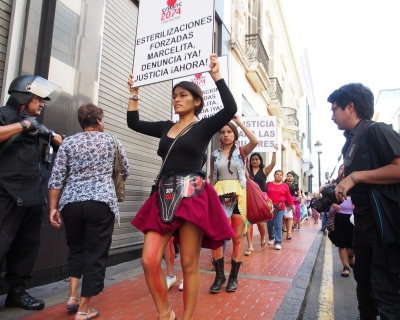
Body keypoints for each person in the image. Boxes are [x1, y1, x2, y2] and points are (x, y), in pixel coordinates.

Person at [127, 54, 236, 320]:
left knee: (188, 264)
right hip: (163, 195)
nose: (176, 98)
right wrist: (134, 92)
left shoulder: (204, 126)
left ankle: (186, 318)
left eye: (183, 94)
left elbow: (230, 108)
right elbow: (133, 123)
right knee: (149, 259)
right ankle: (166, 314)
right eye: (174, 95)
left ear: (197, 100)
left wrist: (216, 76)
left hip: (192, 195)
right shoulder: (166, 126)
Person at [48, 103, 130, 320]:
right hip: (101, 202)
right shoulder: (112, 141)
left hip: (71, 203)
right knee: (96, 253)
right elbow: (125, 171)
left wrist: (53, 208)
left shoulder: (69, 142)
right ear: (99, 121)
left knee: (76, 248)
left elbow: (56, 178)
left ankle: (72, 296)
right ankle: (84, 310)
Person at [329, 83, 400, 319]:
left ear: (351, 106)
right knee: (364, 283)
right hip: (361, 222)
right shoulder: (349, 142)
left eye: (335, 109)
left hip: (384, 224)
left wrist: (356, 176)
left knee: (385, 288)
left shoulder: (376, 131)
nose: (332, 117)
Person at [0, 75, 63, 311]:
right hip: (6, 194)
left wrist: (51, 135)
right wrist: (23, 126)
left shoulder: (40, 126)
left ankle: (17, 293)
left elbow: (62, 145)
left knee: (27, 247)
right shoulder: (5, 115)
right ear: (24, 96)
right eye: (38, 98)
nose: (43, 103)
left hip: (33, 196)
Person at [209, 115, 258, 292]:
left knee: (237, 237)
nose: (225, 135)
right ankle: (219, 275)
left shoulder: (241, 152)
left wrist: (239, 123)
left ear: (235, 135)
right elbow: (212, 176)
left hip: (238, 196)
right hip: (218, 196)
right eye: (222, 132)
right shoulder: (214, 155)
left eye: (229, 132)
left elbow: (255, 141)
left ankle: (233, 277)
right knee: (217, 237)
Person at [245, 146, 278, 254]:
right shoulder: (246, 171)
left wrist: (274, 151)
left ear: (260, 161)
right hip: (248, 198)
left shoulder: (264, 170)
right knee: (248, 222)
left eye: (257, 159)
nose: (254, 161)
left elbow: (273, 164)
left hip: (261, 198)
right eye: (253, 159)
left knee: (260, 223)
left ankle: (263, 238)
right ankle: (250, 246)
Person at [265, 170, 295, 250]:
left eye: (280, 175)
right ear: (274, 176)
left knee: (278, 224)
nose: (278, 176)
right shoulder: (268, 184)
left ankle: (278, 242)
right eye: (277, 174)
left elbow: (288, 197)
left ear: (282, 176)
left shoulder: (285, 186)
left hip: (280, 207)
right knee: (270, 225)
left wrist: (292, 207)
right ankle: (271, 237)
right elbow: (263, 195)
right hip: (269, 207)